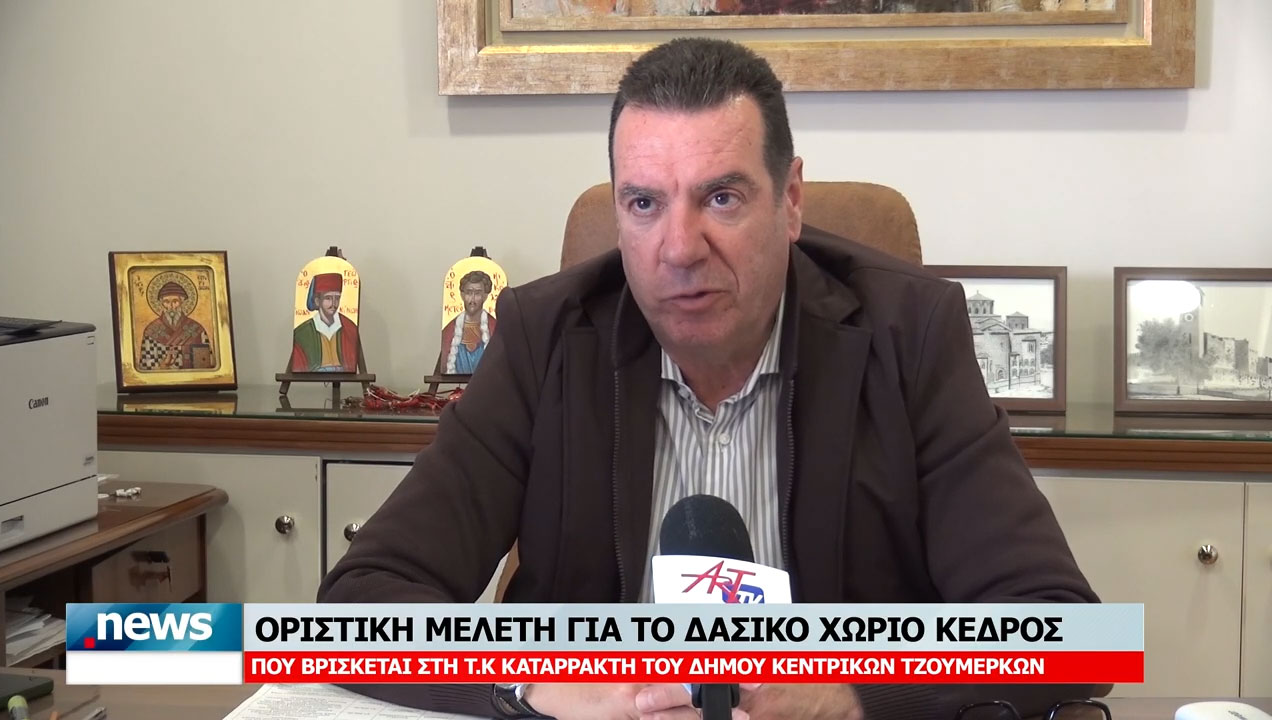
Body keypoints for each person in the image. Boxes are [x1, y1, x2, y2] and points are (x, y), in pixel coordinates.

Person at [319, 37, 1099, 720]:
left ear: (790, 201)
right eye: (644, 203)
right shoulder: (543, 338)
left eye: (721, 198)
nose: (679, 247)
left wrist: (851, 691)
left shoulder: (910, 336)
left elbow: (1071, 636)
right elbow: (358, 610)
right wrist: (537, 679)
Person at [138, 279, 214, 370]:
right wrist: (163, 365)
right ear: (161, 303)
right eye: (166, 302)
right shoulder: (151, 330)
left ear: (182, 301)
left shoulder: (197, 329)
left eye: (175, 301)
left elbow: (207, 363)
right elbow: (146, 365)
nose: (171, 306)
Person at [290, 272, 359, 372]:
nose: (333, 304)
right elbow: (300, 366)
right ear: (317, 301)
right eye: (328, 298)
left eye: (337, 298)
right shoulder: (302, 333)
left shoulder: (349, 328)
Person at [440, 270, 497, 374]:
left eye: (478, 293)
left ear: (485, 296)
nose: (472, 299)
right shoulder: (450, 330)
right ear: (462, 295)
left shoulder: (495, 328)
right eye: (469, 293)